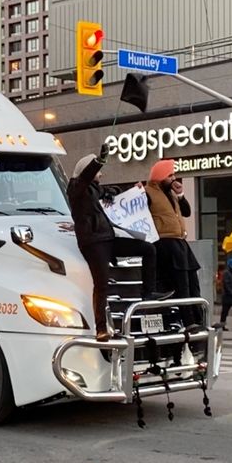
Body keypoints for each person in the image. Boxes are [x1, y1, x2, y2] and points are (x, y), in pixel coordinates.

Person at [69, 144, 170, 342]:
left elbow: (113, 192)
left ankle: (148, 293)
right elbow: (85, 178)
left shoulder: (94, 189)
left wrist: (129, 190)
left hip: (108, 239)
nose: (101, 175)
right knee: (102, 283)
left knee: (148, 249)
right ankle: (101, 329)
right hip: (94, 242)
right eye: (98, 172)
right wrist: (99, 160)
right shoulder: (75, 188)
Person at [144, 162, 202, 328]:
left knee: (193, 284)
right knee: (181, 285)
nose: (173, 178)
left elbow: (187, 212)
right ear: (161, 176)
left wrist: (181, 194)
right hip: (166, 242)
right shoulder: (148, 193)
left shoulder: (171, 194)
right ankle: (188, 321)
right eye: (170, 175)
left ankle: (199, 319)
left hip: (180, 242)